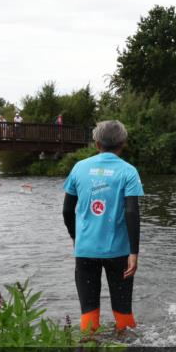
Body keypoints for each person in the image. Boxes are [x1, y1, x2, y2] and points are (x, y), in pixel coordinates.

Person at [63, 120, 143, 333]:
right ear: (122, 143)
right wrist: (134, 252)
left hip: (85, 250)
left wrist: (75, 237)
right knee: (123, 310)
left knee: (88, 310)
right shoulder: (129, 172)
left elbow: (67, 211)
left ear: (97, 144)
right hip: (119, 253)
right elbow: (132, 212)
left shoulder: (79, 168)